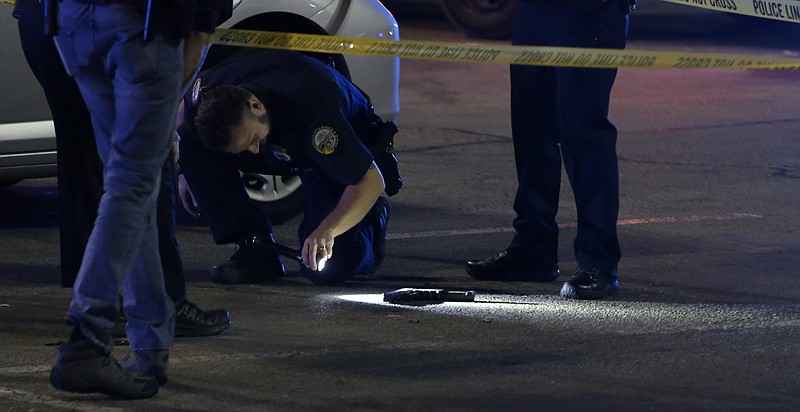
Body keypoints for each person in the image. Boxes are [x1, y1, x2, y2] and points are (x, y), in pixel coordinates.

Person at [42, 0, 229, 399]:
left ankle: (149, 339)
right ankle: (87, 338)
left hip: (73, 18)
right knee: (132, 183)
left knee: (126, 184)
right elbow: (205, 19)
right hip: (142, 22)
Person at [176, 48, 398, 286]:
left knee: (327, 266)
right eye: (244, 147)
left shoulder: (315, 110)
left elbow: (371, 180)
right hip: (280, 137)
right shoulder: (213, 91)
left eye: (252, 141)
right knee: (193, 148)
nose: (252, 151)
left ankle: (371, 221)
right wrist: (186, 173)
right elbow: (185, 114)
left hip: (337, 150)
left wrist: (328, 229)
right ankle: (255, 248)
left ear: (255, 106)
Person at [465, 0, 635, 300]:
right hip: (536, 11)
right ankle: (534, 249)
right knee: (532, 129)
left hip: (590, 13)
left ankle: (599, 261)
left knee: (583, 134)